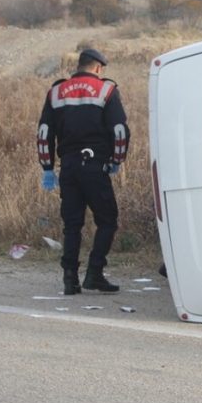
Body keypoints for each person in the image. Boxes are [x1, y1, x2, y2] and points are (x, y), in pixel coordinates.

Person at [36, 48, 129, 294]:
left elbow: (44, 133)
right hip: (95, 165)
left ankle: (70, 278)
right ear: (98, 68)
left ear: (79, 65)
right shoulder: (107, 91)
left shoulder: (56, 92)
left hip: (68, 167)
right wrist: (116, 161)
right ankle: (94, 273)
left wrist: (47, 168)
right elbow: (119, 130)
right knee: (107, 220)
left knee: (72, 225)